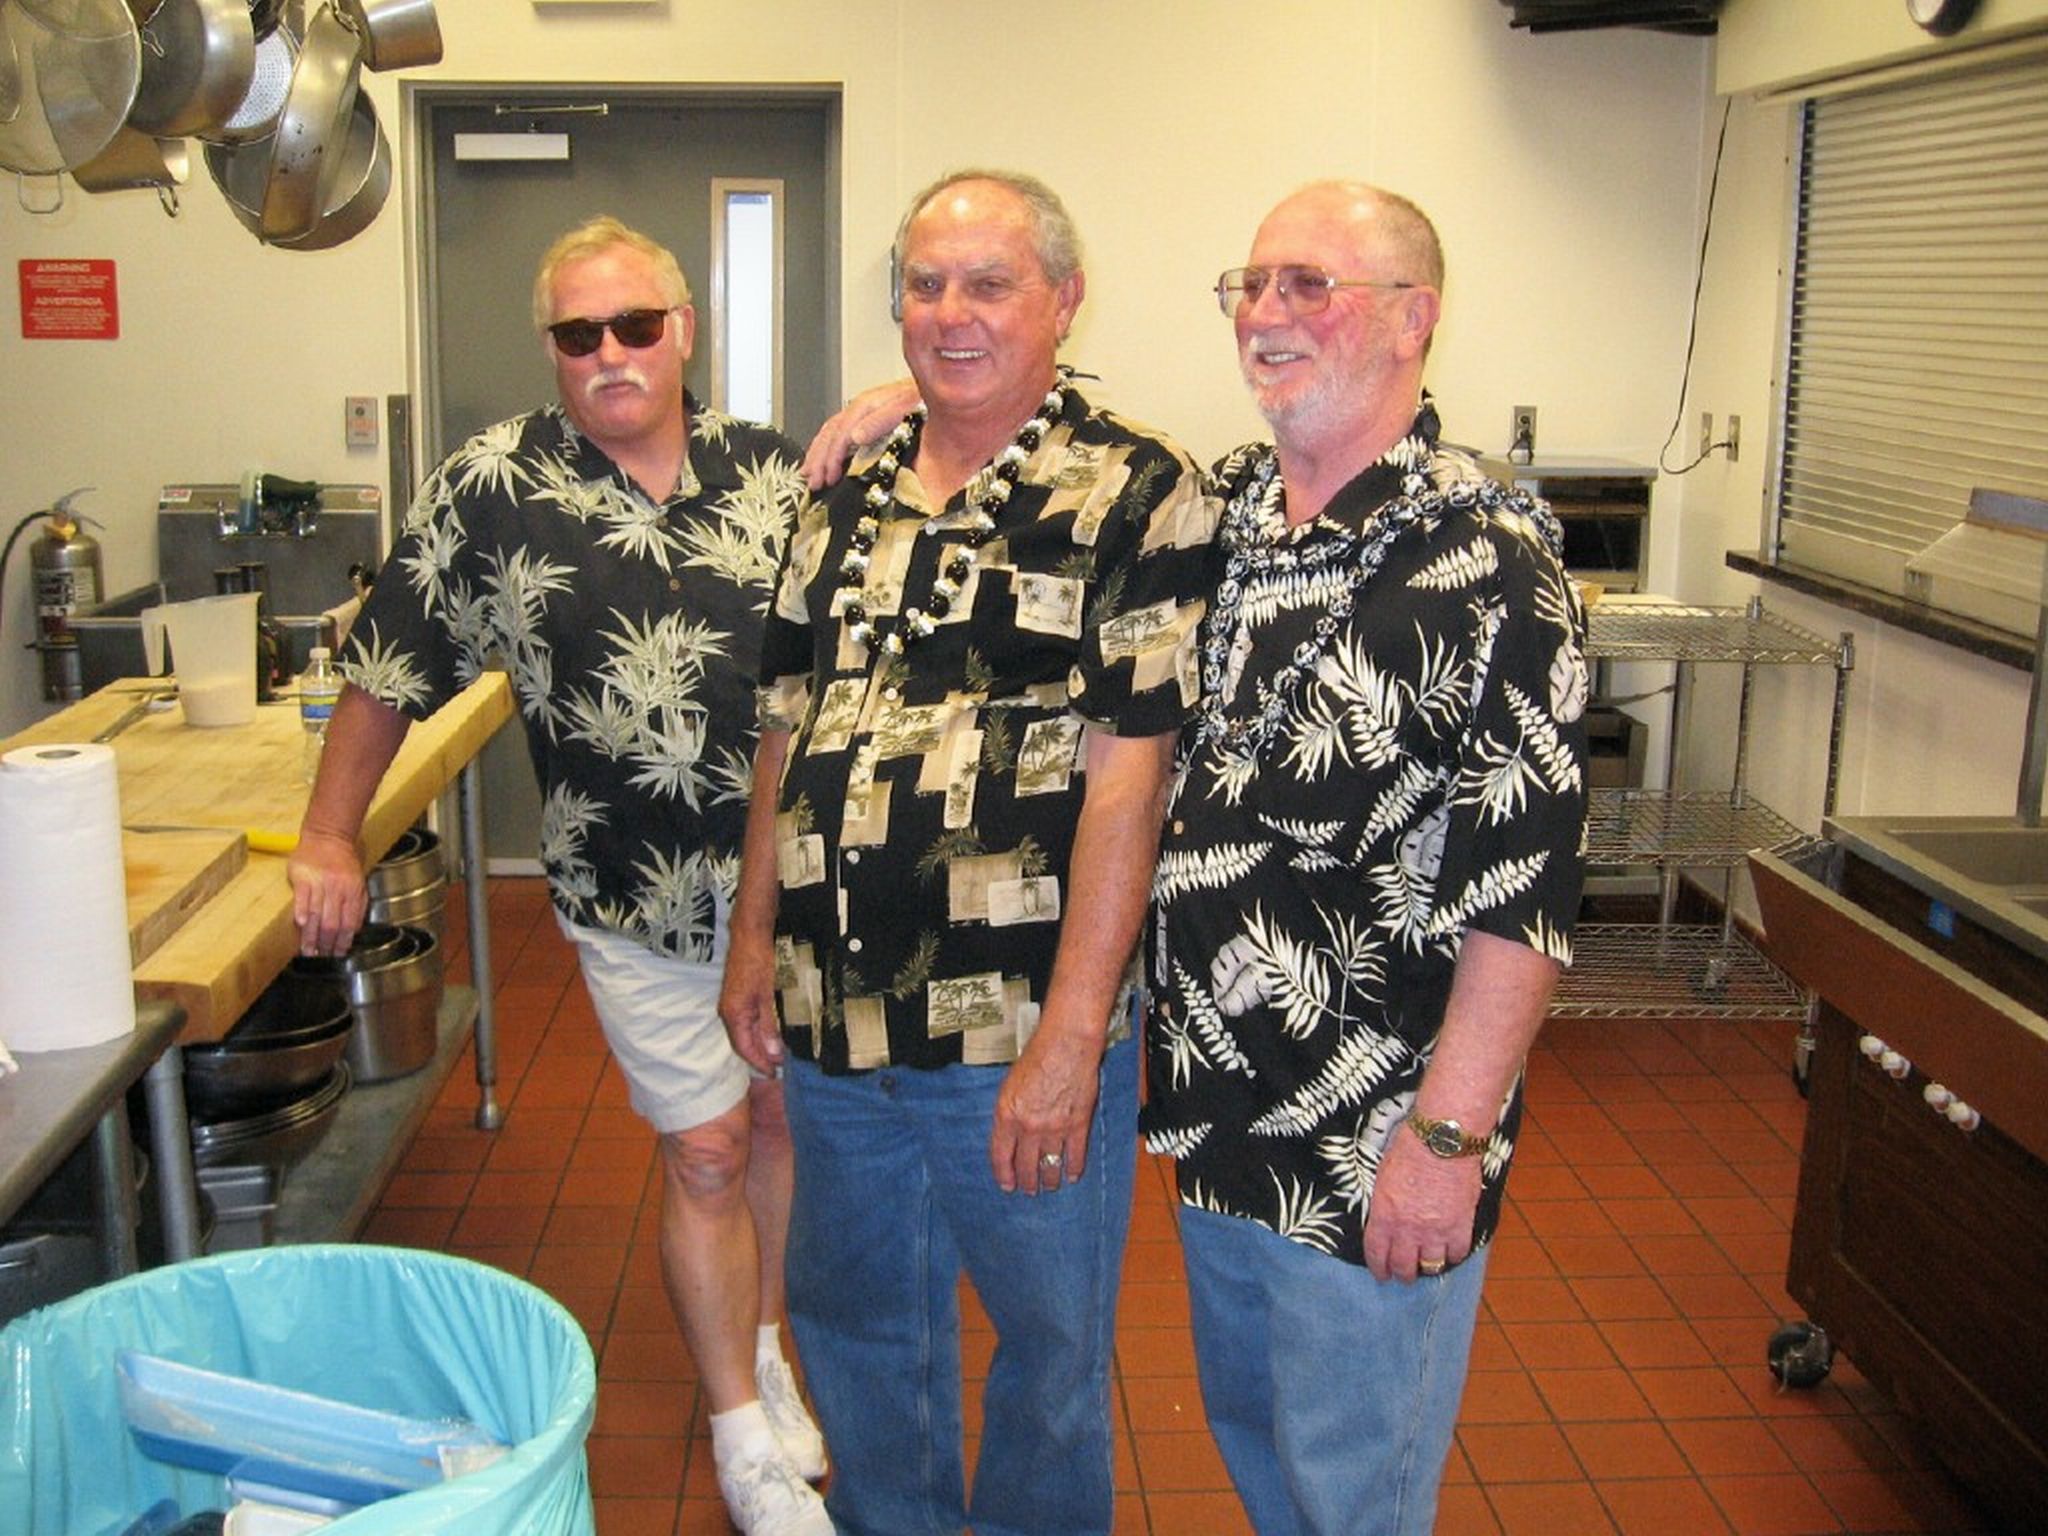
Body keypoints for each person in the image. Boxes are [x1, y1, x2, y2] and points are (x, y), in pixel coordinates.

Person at [287, 216, 832, 1536]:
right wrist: (329, 835)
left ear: (683, 329)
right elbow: (387, 663)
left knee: (775, 1127)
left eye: (635, 325)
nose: (610, 354)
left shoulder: (779, 474)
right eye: (579, 334)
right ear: (552, 348)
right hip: (627, 891)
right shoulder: (491, 486)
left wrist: (883, 406)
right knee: (705, 1148)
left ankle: (766, 1341)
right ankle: (738, 1430)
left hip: (787, 888)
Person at [719, 169, 1217, 1536]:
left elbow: (1130, 783)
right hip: (833, 1009)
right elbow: (785, 725)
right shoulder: (840, 491)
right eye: (926, 285)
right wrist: (753, 939)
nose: (952, 313)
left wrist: (1074, 1035)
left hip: (1015, 1024)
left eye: (990, 284)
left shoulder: (1137, 489)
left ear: (1064, 300)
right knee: (856, 1325)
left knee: (1048, 1352)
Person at [1139, 180, 1591, 1536]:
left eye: (1310, 285)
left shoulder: (1492, 559)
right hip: (1215, 1113)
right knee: (1259, 1451)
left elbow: (1524, 894)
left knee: (1355, 1497)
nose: (1265, 312)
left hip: (1374, 1135)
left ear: (1414, 318)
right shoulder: (1224, 511)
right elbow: (1057, 469)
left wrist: (1447, 1143)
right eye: (1252, 283)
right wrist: (903, 404)